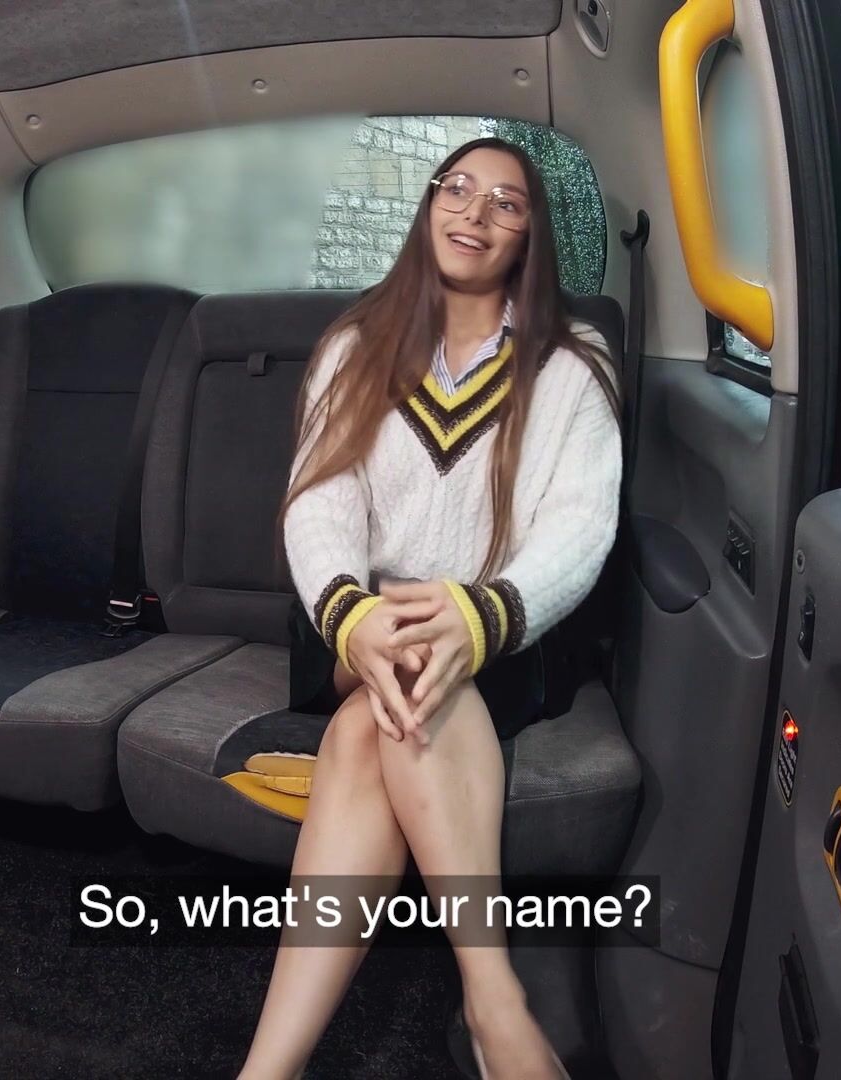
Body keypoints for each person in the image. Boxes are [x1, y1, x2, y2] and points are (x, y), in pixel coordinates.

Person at [239, 138, 621, 1080]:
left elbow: (579, 529)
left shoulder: (572, 366)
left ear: (531, 236)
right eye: (458, 189)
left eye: (506, 202)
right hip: (354, 625)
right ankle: (496, 1003)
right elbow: (319, 503)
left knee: (370, 728)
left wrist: (479, 615)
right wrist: (352, 614)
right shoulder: (354, 346)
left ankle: (267, 1073)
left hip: (500, 632)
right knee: (400, 661)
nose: (474, 213)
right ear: (428, 205)